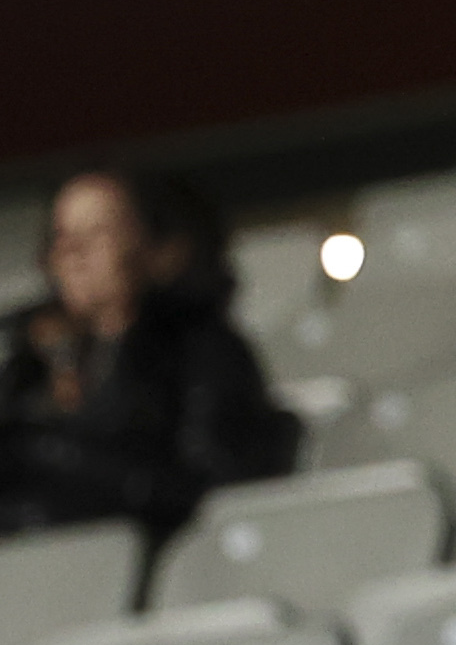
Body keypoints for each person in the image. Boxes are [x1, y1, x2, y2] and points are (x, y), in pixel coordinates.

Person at [2, 168, 297, 538]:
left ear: (159, 248)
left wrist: (47, 452)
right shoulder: (29, 365)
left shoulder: (202, 351)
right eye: (62, 236)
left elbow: (213, 492)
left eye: (98, 233)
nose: (72, 252)